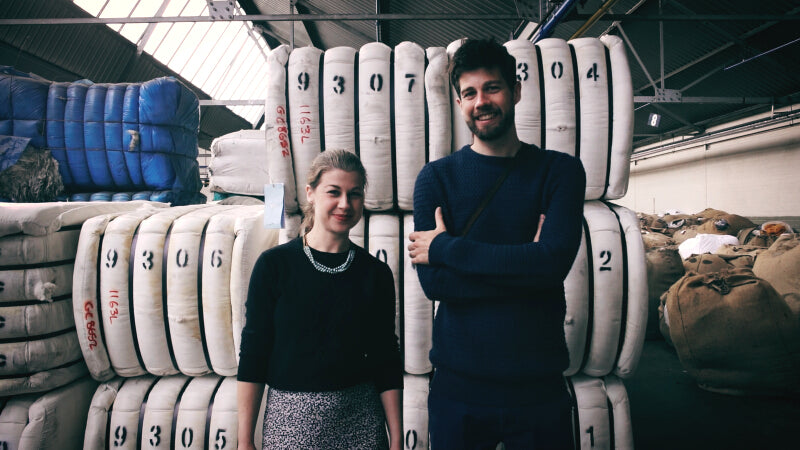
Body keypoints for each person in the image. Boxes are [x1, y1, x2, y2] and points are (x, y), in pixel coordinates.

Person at [408, 39, 586, 449]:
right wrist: (528, 267)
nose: (480, 101)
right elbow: (437, 286)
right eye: (469, 93)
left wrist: (446, 249)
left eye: (492, 88)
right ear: (458, 102)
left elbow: (553, 263)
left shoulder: (559, 172)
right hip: (458, 391)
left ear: (516, 91)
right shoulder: (435, 179)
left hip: (537, 390)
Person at [237, 149, 403, 450]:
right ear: (311, 193)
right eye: (334, 192)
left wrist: (397, 439)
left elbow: (385, 357)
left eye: (354, 194)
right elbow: (254, 353)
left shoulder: (375, 274)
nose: (344, 204)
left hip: (361, 421)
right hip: (291, 423)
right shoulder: (274, 266)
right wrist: (244, 441)